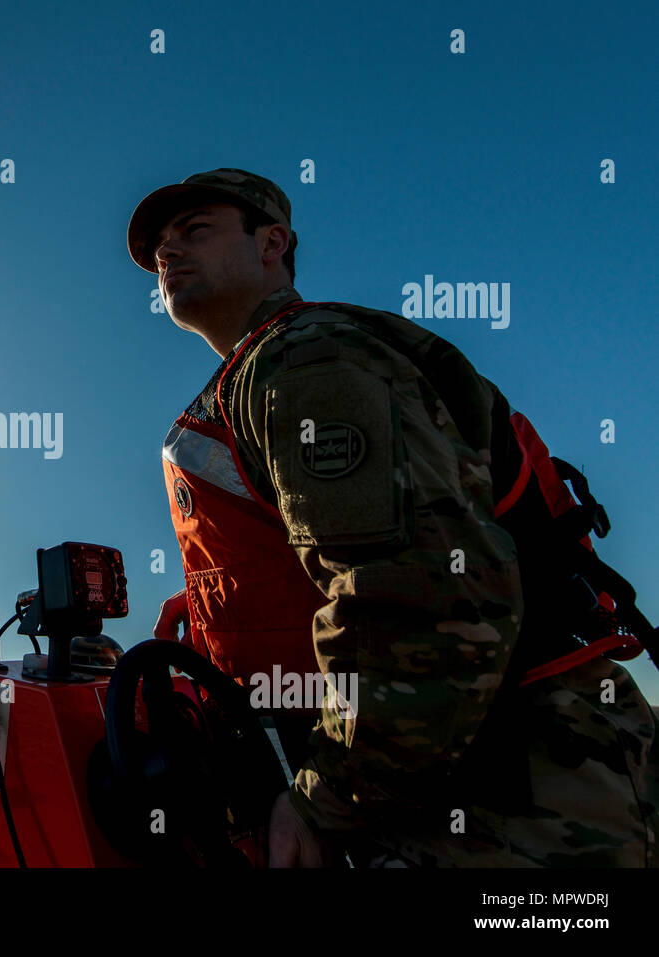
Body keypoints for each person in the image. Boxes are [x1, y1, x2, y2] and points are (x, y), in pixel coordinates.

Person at [128, 168, 658, 867]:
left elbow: (425, 596)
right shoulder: (263, 372)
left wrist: (327, 798)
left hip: (507, 797)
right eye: (160, 247)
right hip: (460, 778)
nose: (168, 253)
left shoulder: (305, 358)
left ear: (272, 244)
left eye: (194, 230)